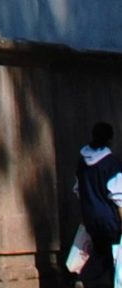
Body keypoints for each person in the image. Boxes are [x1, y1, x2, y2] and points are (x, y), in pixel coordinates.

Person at [70, 122, 122, 286]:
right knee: (110, 255)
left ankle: (84, 279)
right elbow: (118, 196)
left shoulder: (82, 163)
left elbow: (78, 189)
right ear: (110, 139)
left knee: (101, 251)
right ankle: (85, 279)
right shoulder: (111, 164)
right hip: (110, 220)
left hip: (90, 217)